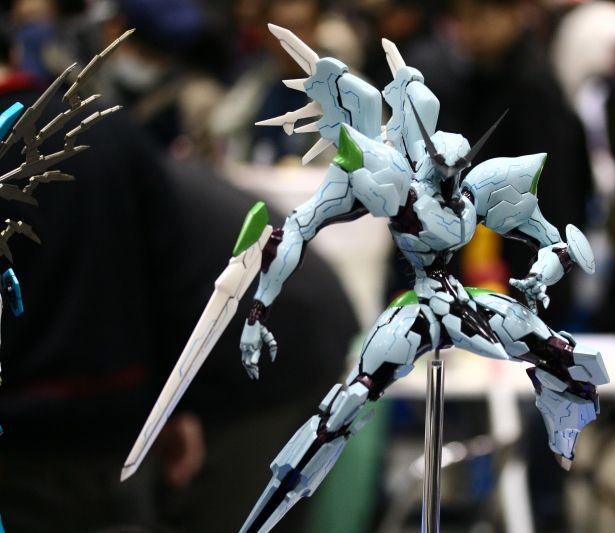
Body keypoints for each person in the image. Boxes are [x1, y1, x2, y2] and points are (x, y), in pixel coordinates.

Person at [0, 30, 358, 532]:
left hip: (271, 334)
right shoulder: (85, 118)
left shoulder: (62, 131)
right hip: (219, 327)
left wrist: (174, 406)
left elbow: (138, 277)